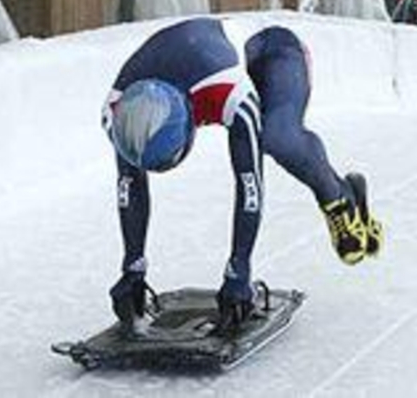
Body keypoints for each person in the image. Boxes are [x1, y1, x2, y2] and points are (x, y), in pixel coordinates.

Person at [101, 17, 383, 330]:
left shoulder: (227, 91)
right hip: (204, 59)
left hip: (273, 50)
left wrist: (239, 270)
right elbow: (129, 182)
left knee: (277, 136)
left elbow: (249, 181)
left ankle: (339, 198)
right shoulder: (119, 114)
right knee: (264, 134)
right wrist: (133, 267)